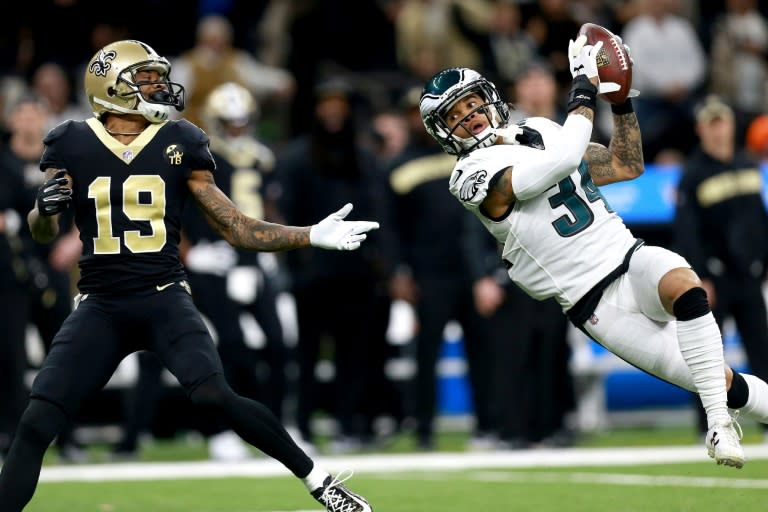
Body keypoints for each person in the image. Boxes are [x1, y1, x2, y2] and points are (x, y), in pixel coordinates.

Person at [0, 39, 376, 512]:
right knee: (36, 421)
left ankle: (321, 482)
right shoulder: (70, 141)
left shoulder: (181, 139)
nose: (160, 86)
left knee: (216, 395)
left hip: (163, 296)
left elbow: (235, 225)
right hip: (100, 303)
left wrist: (308, 235)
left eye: (159, 77)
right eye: (147, 79)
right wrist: (41, 210)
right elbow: (42, 230)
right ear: (111, 88)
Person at [418, 33, 768, 469]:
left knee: (685, 283)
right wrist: (583, 89)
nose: (468, 116)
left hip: (627, 255)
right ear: (442, 131)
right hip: (593, 301)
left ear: (489, 98)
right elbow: (560, 163)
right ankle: (725, 406)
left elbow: (626, 164)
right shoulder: (469, 176)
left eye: (471, 103)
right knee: (721, 379)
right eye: (455, 113)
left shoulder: (540, 130)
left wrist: (620, 103)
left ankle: (718, 424)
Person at [673, 95, 768, 439]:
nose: (718, 131)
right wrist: (700, 278)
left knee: (761, 348)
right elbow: (687, 232)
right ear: (701, 130)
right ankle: (708, 424)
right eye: (711, 125)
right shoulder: (693, 174)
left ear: (731, 125)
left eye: (722, 123)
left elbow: (759, 219)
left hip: (750, 276)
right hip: (716, 278)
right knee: (709, 354)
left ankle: (765, 417)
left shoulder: (746, 164)